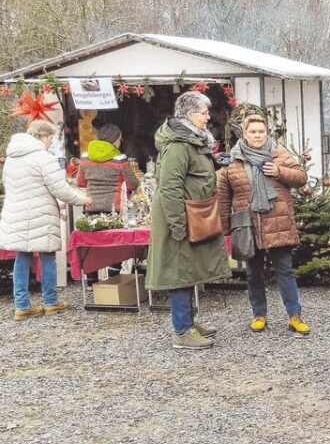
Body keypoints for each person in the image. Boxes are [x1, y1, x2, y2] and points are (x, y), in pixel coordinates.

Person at [146, 91, 230, 350]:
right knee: (179, 274)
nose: (208, 117)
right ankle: (182, 331)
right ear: (190, 115)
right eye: (204, 112)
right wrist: (178, 225)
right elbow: (169, 188)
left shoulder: (191, 141)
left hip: (192, 214)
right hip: (180, 219)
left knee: (189, 270)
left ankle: (189, 323)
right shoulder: (179, 146)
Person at [218, 113, 310, 335]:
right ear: (244, 133)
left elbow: (301, 177)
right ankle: (259, 315)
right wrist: (225, 230)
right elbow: (223, 196)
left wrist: (279, 171)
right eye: (253, 131)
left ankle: (294, 316)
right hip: (248, 224)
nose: (257, 135)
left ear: (266, 133)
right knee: (254, 272)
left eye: (261, 131)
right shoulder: (234, 159)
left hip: (278, 222)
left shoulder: (279, 154)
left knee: (285, 271)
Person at [0, 120, 93, 320]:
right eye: (51, 137)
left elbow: (10, 185)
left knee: (22, 256)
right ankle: (50, 301)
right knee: (47, 254)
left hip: (15, 213)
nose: (51, 142)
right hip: (40, 213)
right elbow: (58, 188)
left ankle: (22, 305)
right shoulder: (44, 158)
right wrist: (81, 198)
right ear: (44, 136)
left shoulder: (12, 158)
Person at [77, 123, 140, 213]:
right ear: (115, 140)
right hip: (115, 209)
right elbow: (134, 184)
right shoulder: (120, 159)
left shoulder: (85, 157)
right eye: (119, 139)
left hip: (91, 206)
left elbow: (80, 183)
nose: (120, 141)